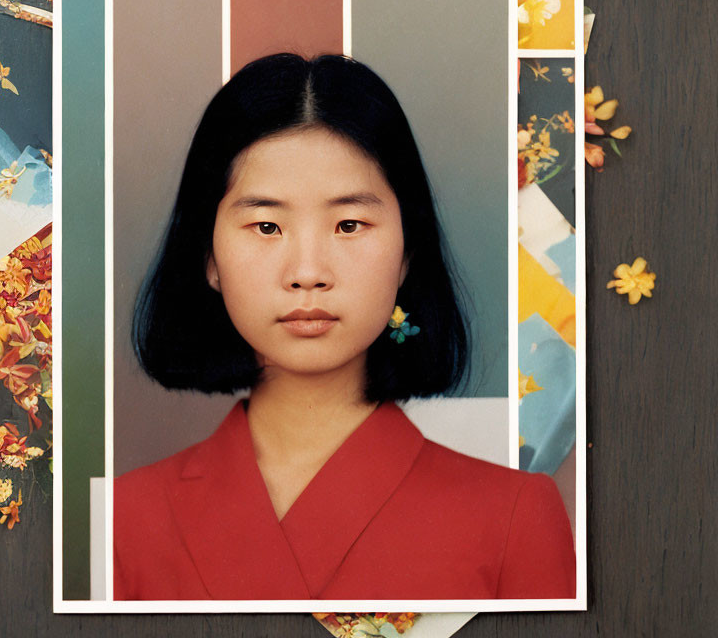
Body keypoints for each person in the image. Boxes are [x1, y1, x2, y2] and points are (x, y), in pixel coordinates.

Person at [114, 54, 575, 601]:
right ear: (209, 257)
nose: (307, 272)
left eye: (349, 224)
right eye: (266, 225)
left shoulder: (517, 518)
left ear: (406, 253)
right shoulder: (125, 520)